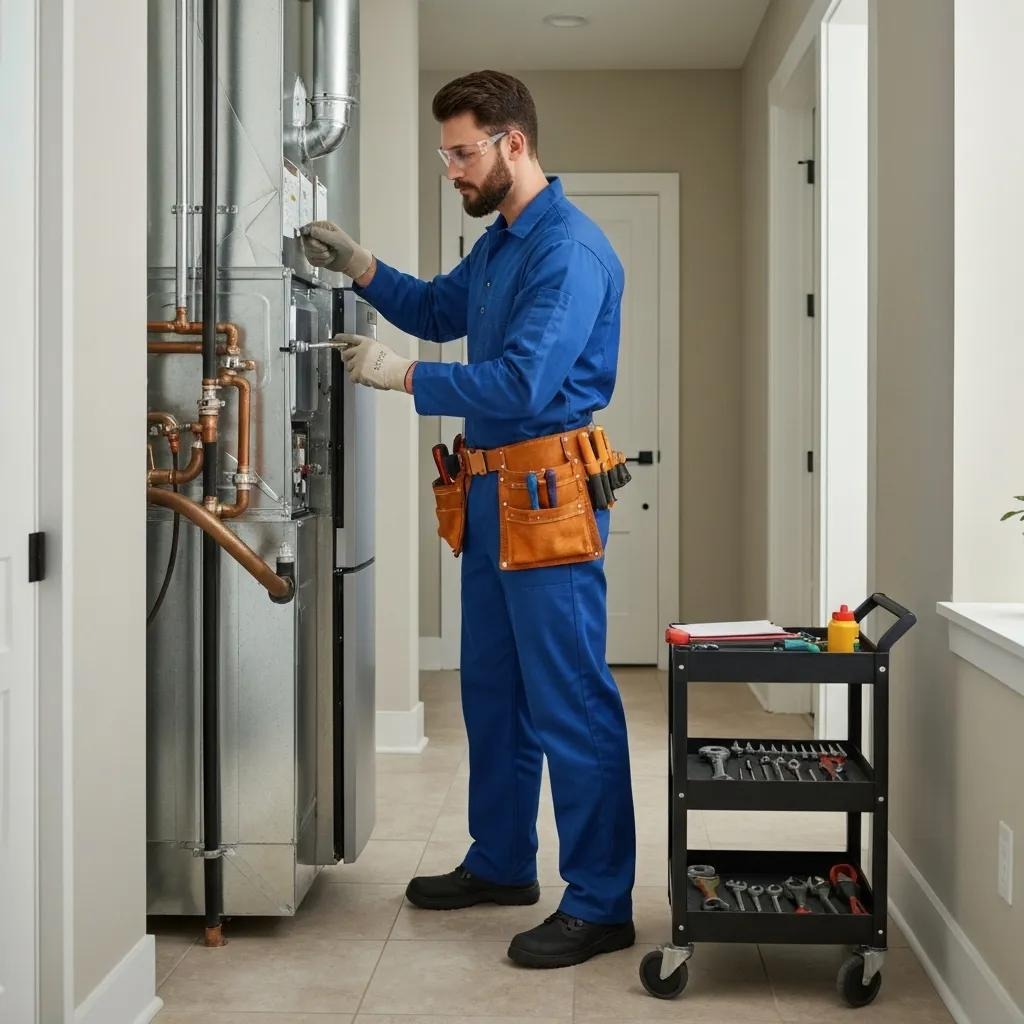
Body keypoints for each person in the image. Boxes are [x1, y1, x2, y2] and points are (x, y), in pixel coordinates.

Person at [302, 70, 635, 969]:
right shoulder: (500, 247)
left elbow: (524, 384)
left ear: (513, 144)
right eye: (446, 153)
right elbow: (440, 309)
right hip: (490, 500)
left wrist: (399, 375)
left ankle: (602, 901)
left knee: (572, 703)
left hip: (550, 498)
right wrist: (360, 265)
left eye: (462, 152)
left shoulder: (567, 250)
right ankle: (502, 862)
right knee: (493, 696)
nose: (451, 168)